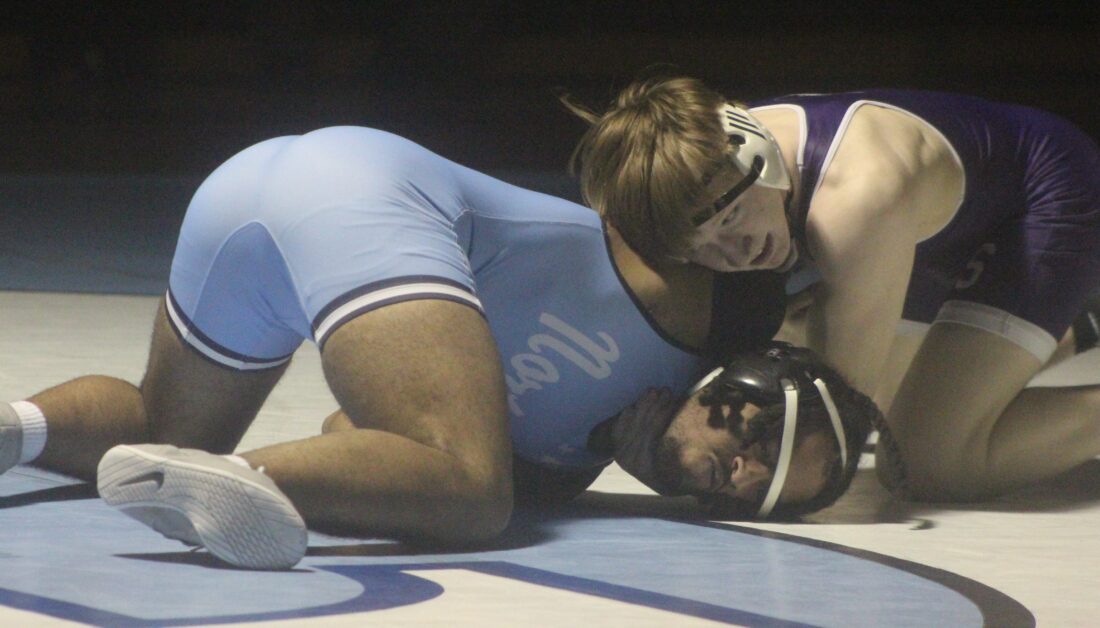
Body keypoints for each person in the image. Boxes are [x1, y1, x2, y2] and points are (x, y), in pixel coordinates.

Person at [0, 125, 839, 570]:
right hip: (371, 196)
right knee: (474, 492)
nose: (740, 473)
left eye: (755, 494)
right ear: (752, 380)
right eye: (763, 440)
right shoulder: (723, 303)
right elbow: (688, 160)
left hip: (260, 205)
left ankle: (20, 428)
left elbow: (352, 437)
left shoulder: (561, 473)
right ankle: (234, 481)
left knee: (161, 426)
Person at [567, 77, 1100, 502]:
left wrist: (679, 463)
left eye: (730, 220)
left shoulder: (854, 201)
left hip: (1039, 199)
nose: (733, 255)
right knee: (878, 387)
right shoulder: (706, 153)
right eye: (698, 250)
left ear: (756, 155)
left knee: (927, 463)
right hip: (930, 229)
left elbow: (836, 419)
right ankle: (1067, 329)